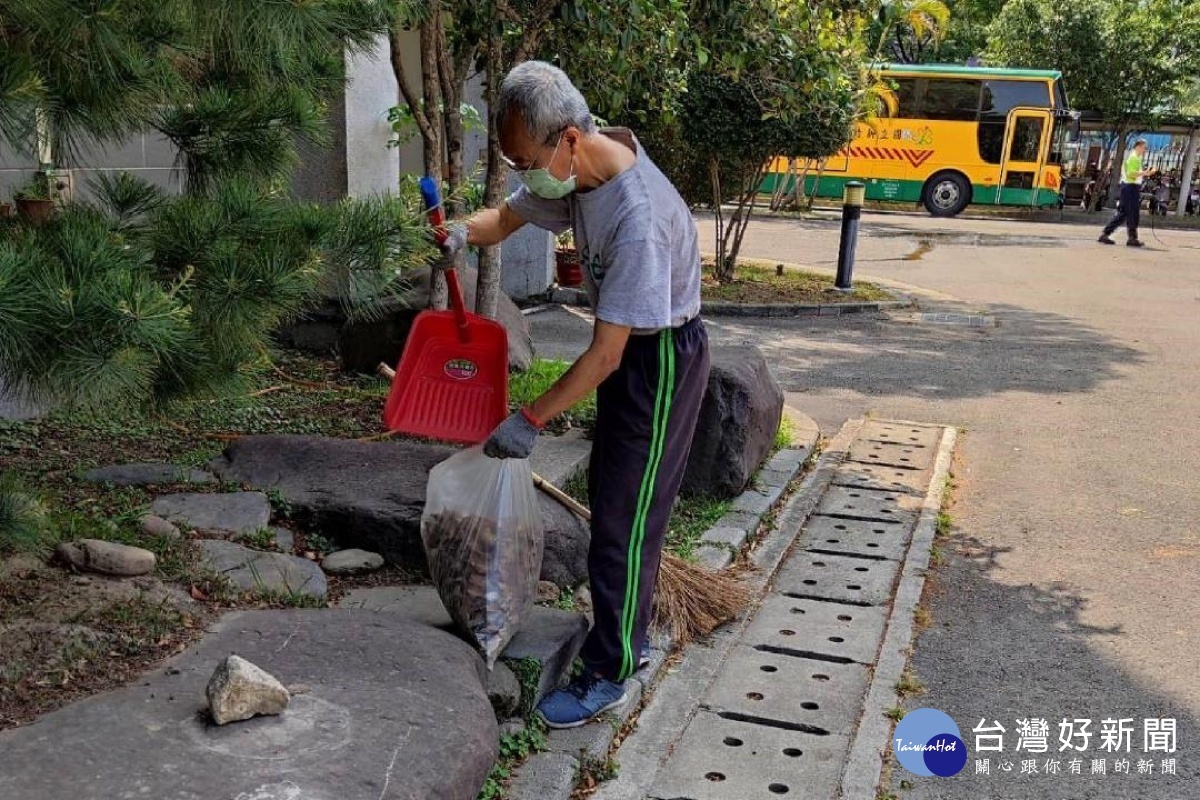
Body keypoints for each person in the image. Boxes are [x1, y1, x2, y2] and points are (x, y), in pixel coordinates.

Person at [441, 61, 710, 729]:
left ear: (565, 138)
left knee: (623, 520)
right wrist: (459, 232)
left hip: (659, 362)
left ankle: (611, 671)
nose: (521, 172)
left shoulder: (636, 219)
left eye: (524, 159)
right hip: (630, 352)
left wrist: (530, 418)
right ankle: (630, 637)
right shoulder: (580, 170)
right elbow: (505, 217)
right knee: (617, 503)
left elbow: (607, 354)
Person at [1099, 139, 1153, 246]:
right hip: (1130, 187)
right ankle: (1130, 238)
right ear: (1138, 146)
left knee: (1126, 213)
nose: (1145, 150)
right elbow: (1131, 174)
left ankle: (1108, 234)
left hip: (1129, 187)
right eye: (1144, 147)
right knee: (1130, 213)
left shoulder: (1135, 157)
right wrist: (1145, 173)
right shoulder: (1134, 158)